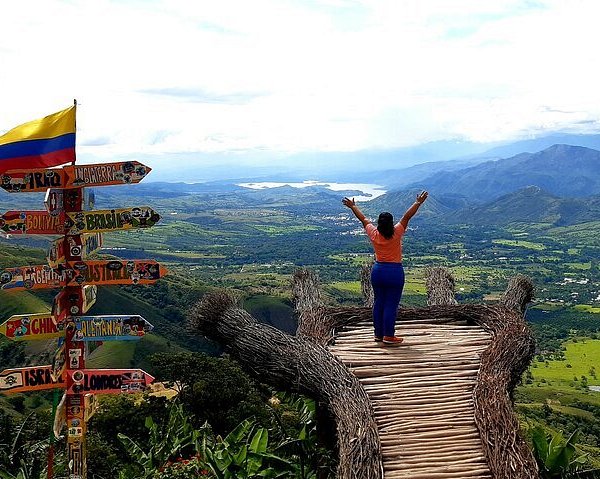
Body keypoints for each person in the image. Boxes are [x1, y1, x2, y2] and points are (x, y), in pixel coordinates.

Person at [342, 191, 428, 346]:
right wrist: (418, 203)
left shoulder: (374, 233)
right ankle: (389, 335)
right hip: (394, 272)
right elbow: (407, 217)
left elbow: (363, 219)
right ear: (391, 223)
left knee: (379, 302)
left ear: (379, 223)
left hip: (378, 271)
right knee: (391, 304)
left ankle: (378, 335)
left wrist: (353, 206)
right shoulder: (397, 232)